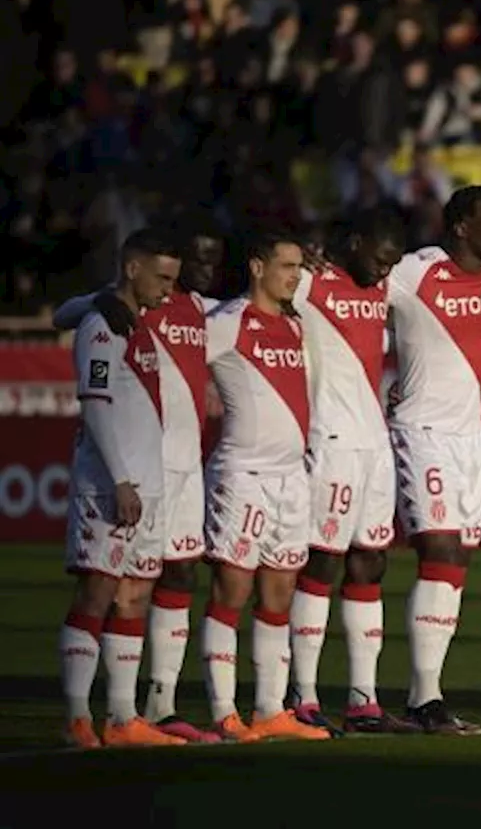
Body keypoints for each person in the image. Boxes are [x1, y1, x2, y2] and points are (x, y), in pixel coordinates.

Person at [53, 216, 225, 743]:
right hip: (112, 484)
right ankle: (79, 715)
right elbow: (98, 405)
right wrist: (124, 480)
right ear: (132, 269)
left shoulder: (147, 319)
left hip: (149, 484)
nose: (171, 289)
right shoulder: (105, 323)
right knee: (97, 593)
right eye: (163, 279)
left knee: (134, 596)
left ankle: (124, 717)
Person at [385, 186, 481, 733]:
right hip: (422, 431)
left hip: (471, 438)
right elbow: (351, 289)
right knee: (438, 550)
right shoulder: (416, 272)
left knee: (457, 561)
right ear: (461, 227)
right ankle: (423, 698)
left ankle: (425, 696)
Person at [286, 210, 419, 735]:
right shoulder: (311, 282)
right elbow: (245, 301)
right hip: (332, 442)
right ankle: (305, 693)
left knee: (371, 564)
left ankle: (364, 700)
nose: (385, 268)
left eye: (392, 261)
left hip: (374, 445)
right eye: (380, 256)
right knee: (321, 562)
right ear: (355, 241)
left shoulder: (381, 287)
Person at [201, 232, 329, 743]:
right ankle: (223, 710)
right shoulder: (228, 322)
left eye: (299, 267)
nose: (295, 276)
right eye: (286, 266)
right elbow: (172, 353)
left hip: (290, 477)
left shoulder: (297, 326)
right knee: (232, 589)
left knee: (280, 593)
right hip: (243, 475)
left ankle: (271, 709)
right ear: (257, 267)